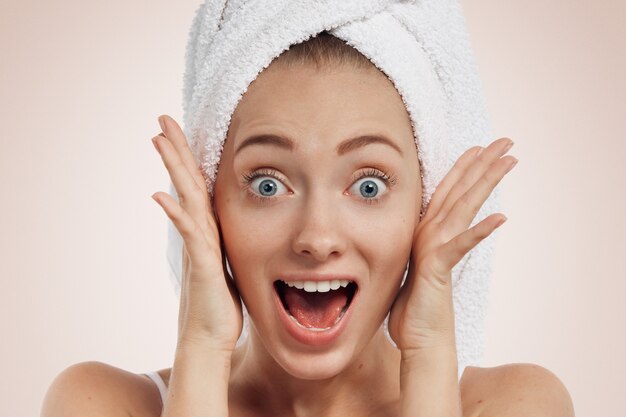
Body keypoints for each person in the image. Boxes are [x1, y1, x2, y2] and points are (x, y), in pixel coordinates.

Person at [41, 26, 574, 417]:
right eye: (267, 184)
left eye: (369, 186)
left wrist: (430, 353)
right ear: (209, 199)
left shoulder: (514, 404)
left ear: (424, 204)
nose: (317, 238)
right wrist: (201, 348)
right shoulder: (101, 404)